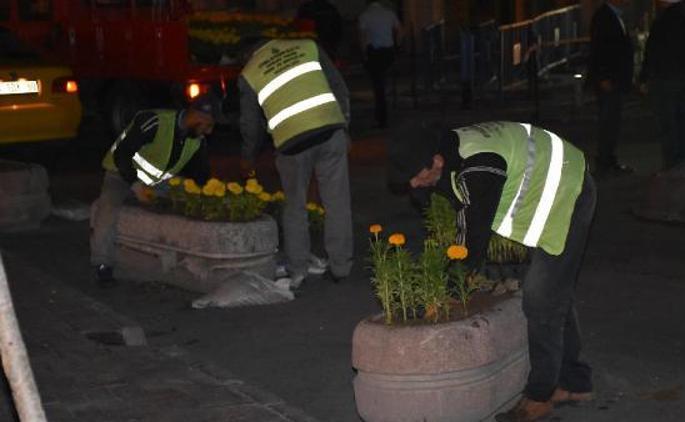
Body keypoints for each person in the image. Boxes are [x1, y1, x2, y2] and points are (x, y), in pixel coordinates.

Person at [389, 121, 597, 422]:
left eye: (417, 178)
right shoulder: (450, 155)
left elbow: (472, 238)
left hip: (568, 189)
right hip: (552, 184)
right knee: (554, 292)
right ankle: (575, 383)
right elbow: (452, 212)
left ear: (436, 161)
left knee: (540, 299)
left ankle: (540, 396)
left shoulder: (478, 168)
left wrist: (450, 290)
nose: (415, 185)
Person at [238, 37, 353, 289]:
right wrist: (344, 124)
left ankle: (298, 269)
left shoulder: (249, 72)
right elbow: (338, 86)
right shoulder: (308, 46)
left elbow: (250, 124)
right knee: (337, 202)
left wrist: (248, 157)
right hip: (330, 131)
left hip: (291, 144)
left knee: (295, 207)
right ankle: (340, 267)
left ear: (250, 54)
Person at [90, 94, 219, 287]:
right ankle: (103, 264)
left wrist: (209, 198)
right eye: (207, 125)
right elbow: (123, 154)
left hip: (158, 184)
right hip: (121, 175)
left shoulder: (197, 140)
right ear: (195, 115)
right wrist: (136, 186)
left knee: (189, 200)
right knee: (108, 208)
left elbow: (201, 176)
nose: (208, 131)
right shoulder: (155, 121)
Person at [639, 0, 685, 170]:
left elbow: (651, 53)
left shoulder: (660, 25)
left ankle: (673, 161)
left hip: (664, 79)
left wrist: (644, 78)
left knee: (668, 122)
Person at [588, 0, 634, 177]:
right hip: (609, 80)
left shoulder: (613, 17)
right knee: (608, 121)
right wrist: (604, 77)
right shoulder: (604, 18)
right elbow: (600, 50)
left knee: (612, 121)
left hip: (614, 79)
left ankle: (608, 159)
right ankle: (605, 161)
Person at [358, 0, 401, 128]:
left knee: (378, 86)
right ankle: (383, 114)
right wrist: (396, 47)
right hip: (388, 52)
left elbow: (362, 37)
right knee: (383, 83)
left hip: (374, 54)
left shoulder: (364, 16)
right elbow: (400, 31)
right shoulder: (389, 14)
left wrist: (364, 54)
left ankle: (382, 118)